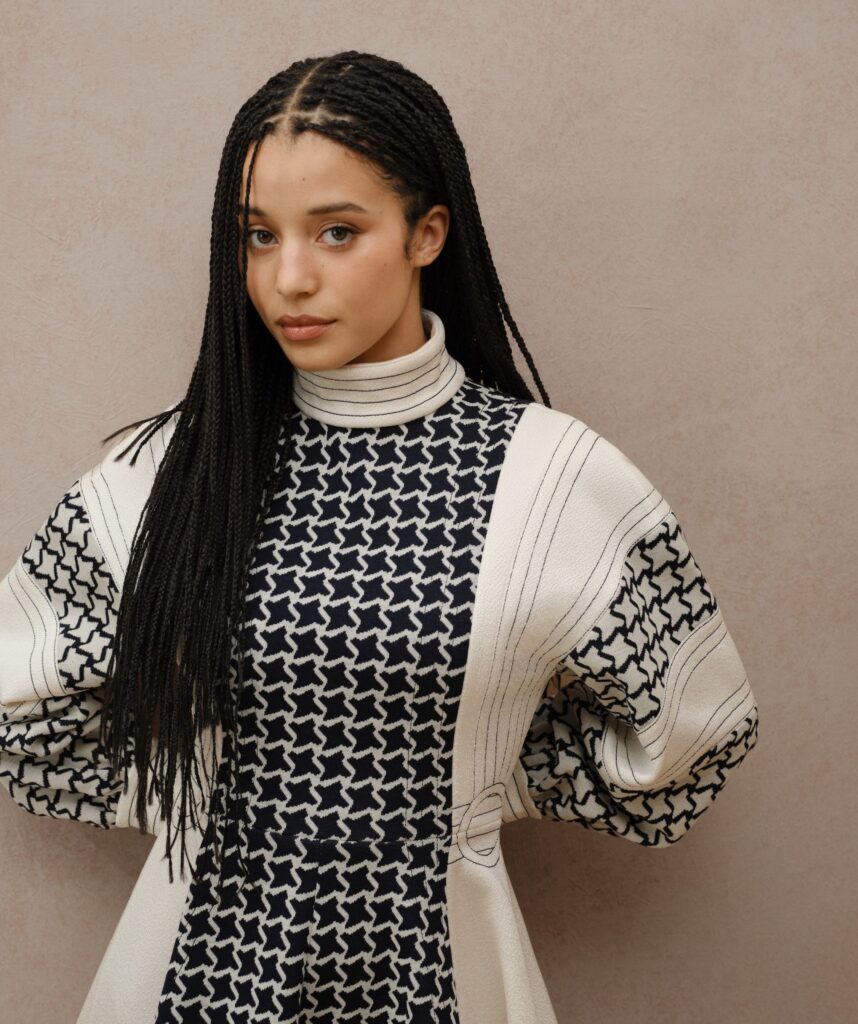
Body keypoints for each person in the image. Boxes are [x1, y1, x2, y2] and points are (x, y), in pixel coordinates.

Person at [0, 50, 760, 1024]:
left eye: (337, 231)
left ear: (426, 233)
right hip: (190, 977)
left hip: (447, 972)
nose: (289, 277)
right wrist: (197, 802)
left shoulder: (557, 480)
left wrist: (479, 784)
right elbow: (20, 711)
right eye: (258, 236)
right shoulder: (166, 474)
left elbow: (695, 729)